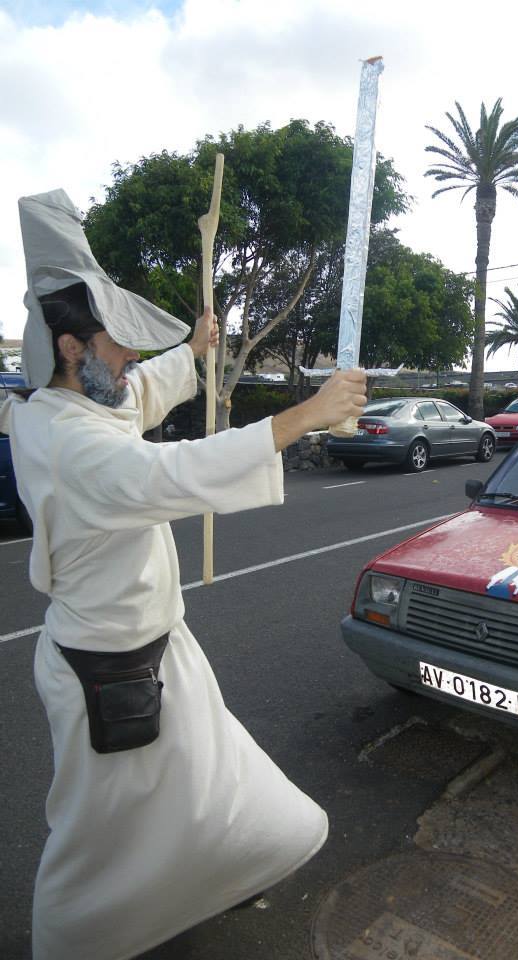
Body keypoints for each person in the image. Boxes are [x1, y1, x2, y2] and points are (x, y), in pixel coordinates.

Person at [1, 190, 367, 960]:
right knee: (99, 839)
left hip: (154, 651)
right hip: (110, 675)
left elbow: (136, 393)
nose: (130, 359)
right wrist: (304, 414)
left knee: (209, 789)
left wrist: (193, 353)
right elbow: (172, 472)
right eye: (118, 343)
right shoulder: (74, 445)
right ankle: (71, 944)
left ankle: (198, 889)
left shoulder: (75, 406)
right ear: (71, 347)